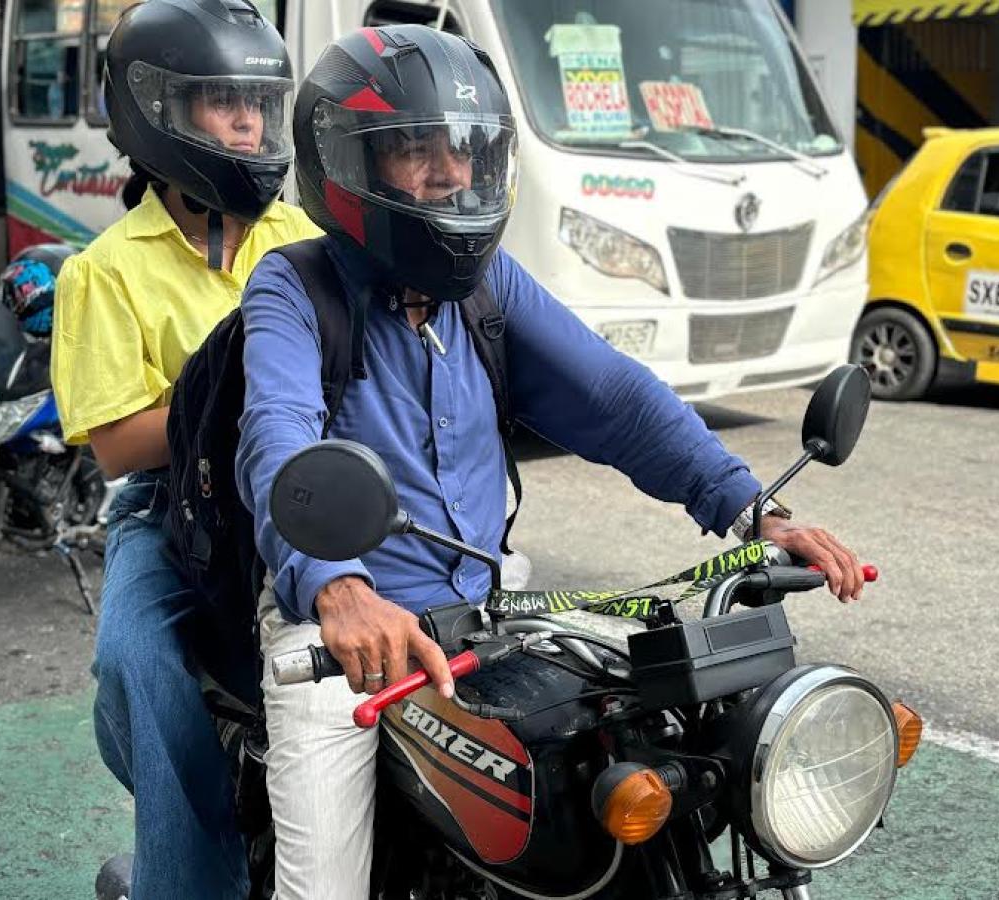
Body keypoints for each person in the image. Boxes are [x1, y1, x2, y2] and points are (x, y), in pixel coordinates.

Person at [234, 25, 865, 899]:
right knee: (326, 891)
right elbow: (279, 435)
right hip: (344, 640)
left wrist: (752, 510)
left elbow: (614, 396)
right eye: (414, 151)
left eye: (466, 150)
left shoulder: (487, 286)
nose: (450, 175)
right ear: (345, 166)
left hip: (487, 609)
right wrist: (336, 586)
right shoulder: (293, 287)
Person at [48, 0, 321, 896]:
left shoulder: (305, 237)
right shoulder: (106, 268)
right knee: (134, 658)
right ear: (156, 113)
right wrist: (235, 397)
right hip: (170, 507)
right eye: (220, 102)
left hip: (308, 484)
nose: (247, 122)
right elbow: (121, 446)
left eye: (257, 102)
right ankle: (195, 873)